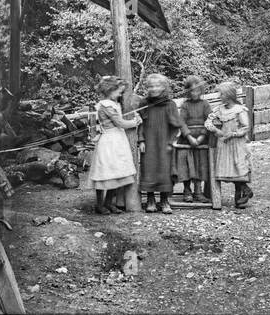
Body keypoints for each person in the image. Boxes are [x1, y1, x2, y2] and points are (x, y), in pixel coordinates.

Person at [88, 75, 140, 214]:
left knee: (116, 171)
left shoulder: (115, 104)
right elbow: (120, 123)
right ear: (109, 90)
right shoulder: (105, 105)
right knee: (105, 171)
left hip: (118, 140)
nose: (120, 94)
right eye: (119, 91)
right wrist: (135, 122)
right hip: (109, 141)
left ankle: (108, 203)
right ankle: (99, 205)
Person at [205, 81, 253, 209]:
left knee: (238, 167)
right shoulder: (219, 110)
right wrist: (216, 130)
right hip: (224, 144)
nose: (219, 96)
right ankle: (245, 190)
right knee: (228, 168)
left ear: (228, 95)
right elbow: (208, 121)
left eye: (221, 93)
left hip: (237, 144)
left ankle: (241, 196)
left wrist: (233, 134)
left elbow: (246, 127)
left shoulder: (239, 110)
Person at [138, 73, 181, 214]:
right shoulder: (144, 103)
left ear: (164, 87)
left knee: (164, 170)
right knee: (149, 168)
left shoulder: (170, 104)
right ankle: (150, 200)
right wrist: (141, 140)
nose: (154, 89)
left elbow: (176, 125)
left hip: (165, 142)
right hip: (149, 141)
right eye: (151, 86)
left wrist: (172, 141)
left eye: (157, 86)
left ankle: (164, 200)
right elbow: (141, 124)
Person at [175, 76, 211, 202]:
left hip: (202, 140)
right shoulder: (185, 105)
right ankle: (187, 190)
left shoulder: (205, 104)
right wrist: (189, 136)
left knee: (200, 165)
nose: (194, 93)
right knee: (186, 164)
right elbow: (181, 122)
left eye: (197, 90)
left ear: (201, 90)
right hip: (186, 140)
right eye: (191, 91)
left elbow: (209, 121)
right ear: (187, 91)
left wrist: (202, 136)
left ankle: (198, 191)